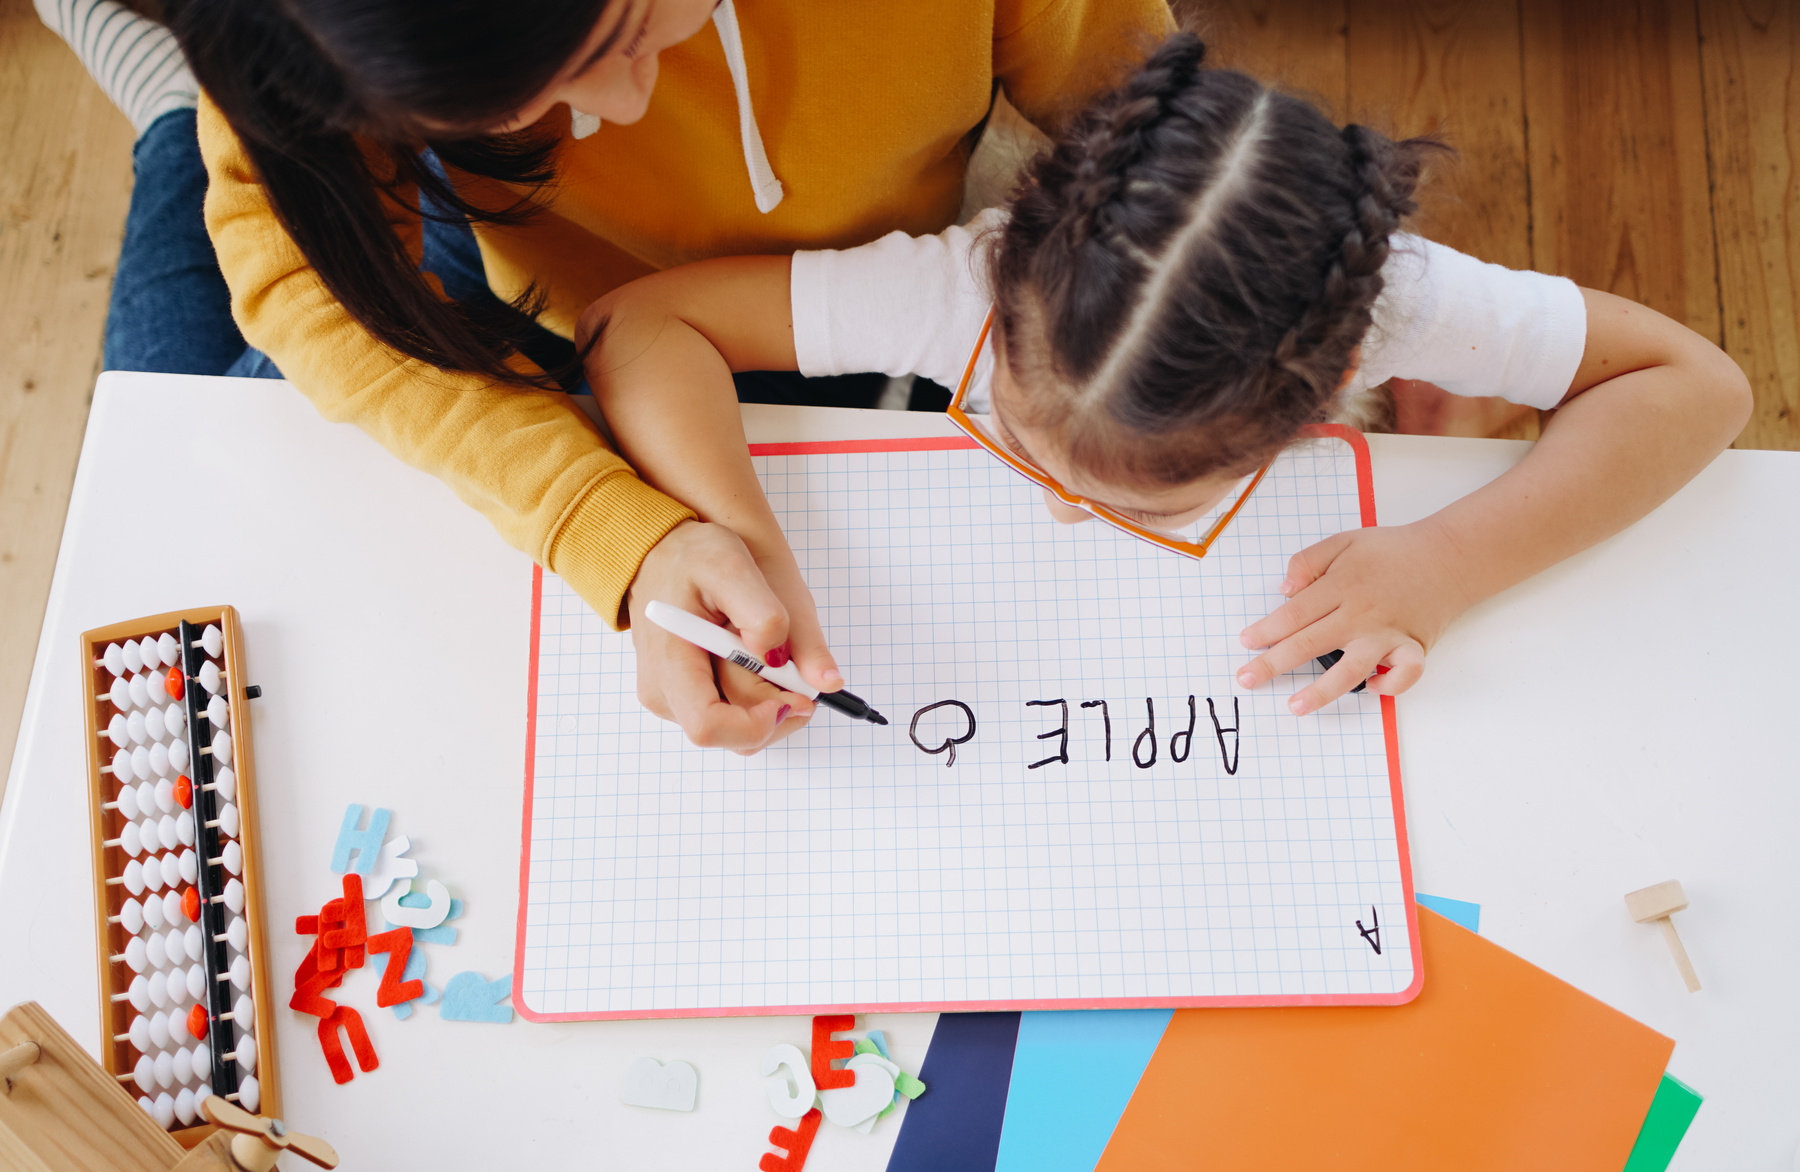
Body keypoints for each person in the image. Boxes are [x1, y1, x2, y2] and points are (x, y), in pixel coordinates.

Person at [35, 0, 1175, 753]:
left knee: (176, 413)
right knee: (178, 465)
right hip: (516, 279)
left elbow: (1149, 130)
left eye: (627, 30)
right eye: (539, 98)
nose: (622, 108)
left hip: (842, 301)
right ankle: (205, 111)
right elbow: (303, 278)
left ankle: (183, 112)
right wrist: (613, 527)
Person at [572, 33, 1753, 720]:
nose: (1060, 510)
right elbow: (639, 325)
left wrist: (1451, 559)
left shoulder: (1400, 301)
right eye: (1032, 449)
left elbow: (1698, 388)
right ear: (1013, 263)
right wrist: (743, 539)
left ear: (1338, 375)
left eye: (1137, 501)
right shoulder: (958, 285)